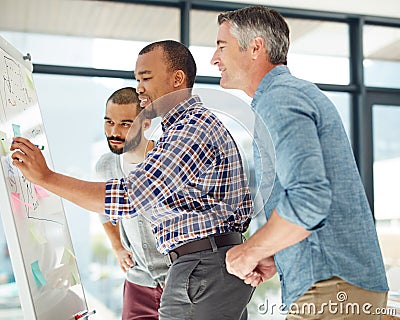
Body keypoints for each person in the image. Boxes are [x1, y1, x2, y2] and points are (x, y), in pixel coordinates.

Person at [11, 40, 255, 320]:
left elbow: (129, 197)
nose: (139, 87)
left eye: (146, 78)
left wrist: (46, 177)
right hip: (204, 269)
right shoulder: (180, 131)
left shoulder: (191, 130)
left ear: (177, 79)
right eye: (137, 78)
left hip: (201, 270)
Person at [211, 5, 389, 319]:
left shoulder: (278, 99)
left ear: (256, 47)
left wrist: (250, 250)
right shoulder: (293, 94)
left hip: (332, 290)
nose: (215, 59)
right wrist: (275, 255)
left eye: (221, 46)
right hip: (336, 285)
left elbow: (309, 200)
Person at [96, 87, 168, 319]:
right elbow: (103, 210)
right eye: (109, 122)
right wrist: (117, 247)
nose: (114, 132)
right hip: (138, 284)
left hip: (178, 283)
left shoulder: (168, 161)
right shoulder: (106, 166)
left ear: (146, 123)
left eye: (125, 124)